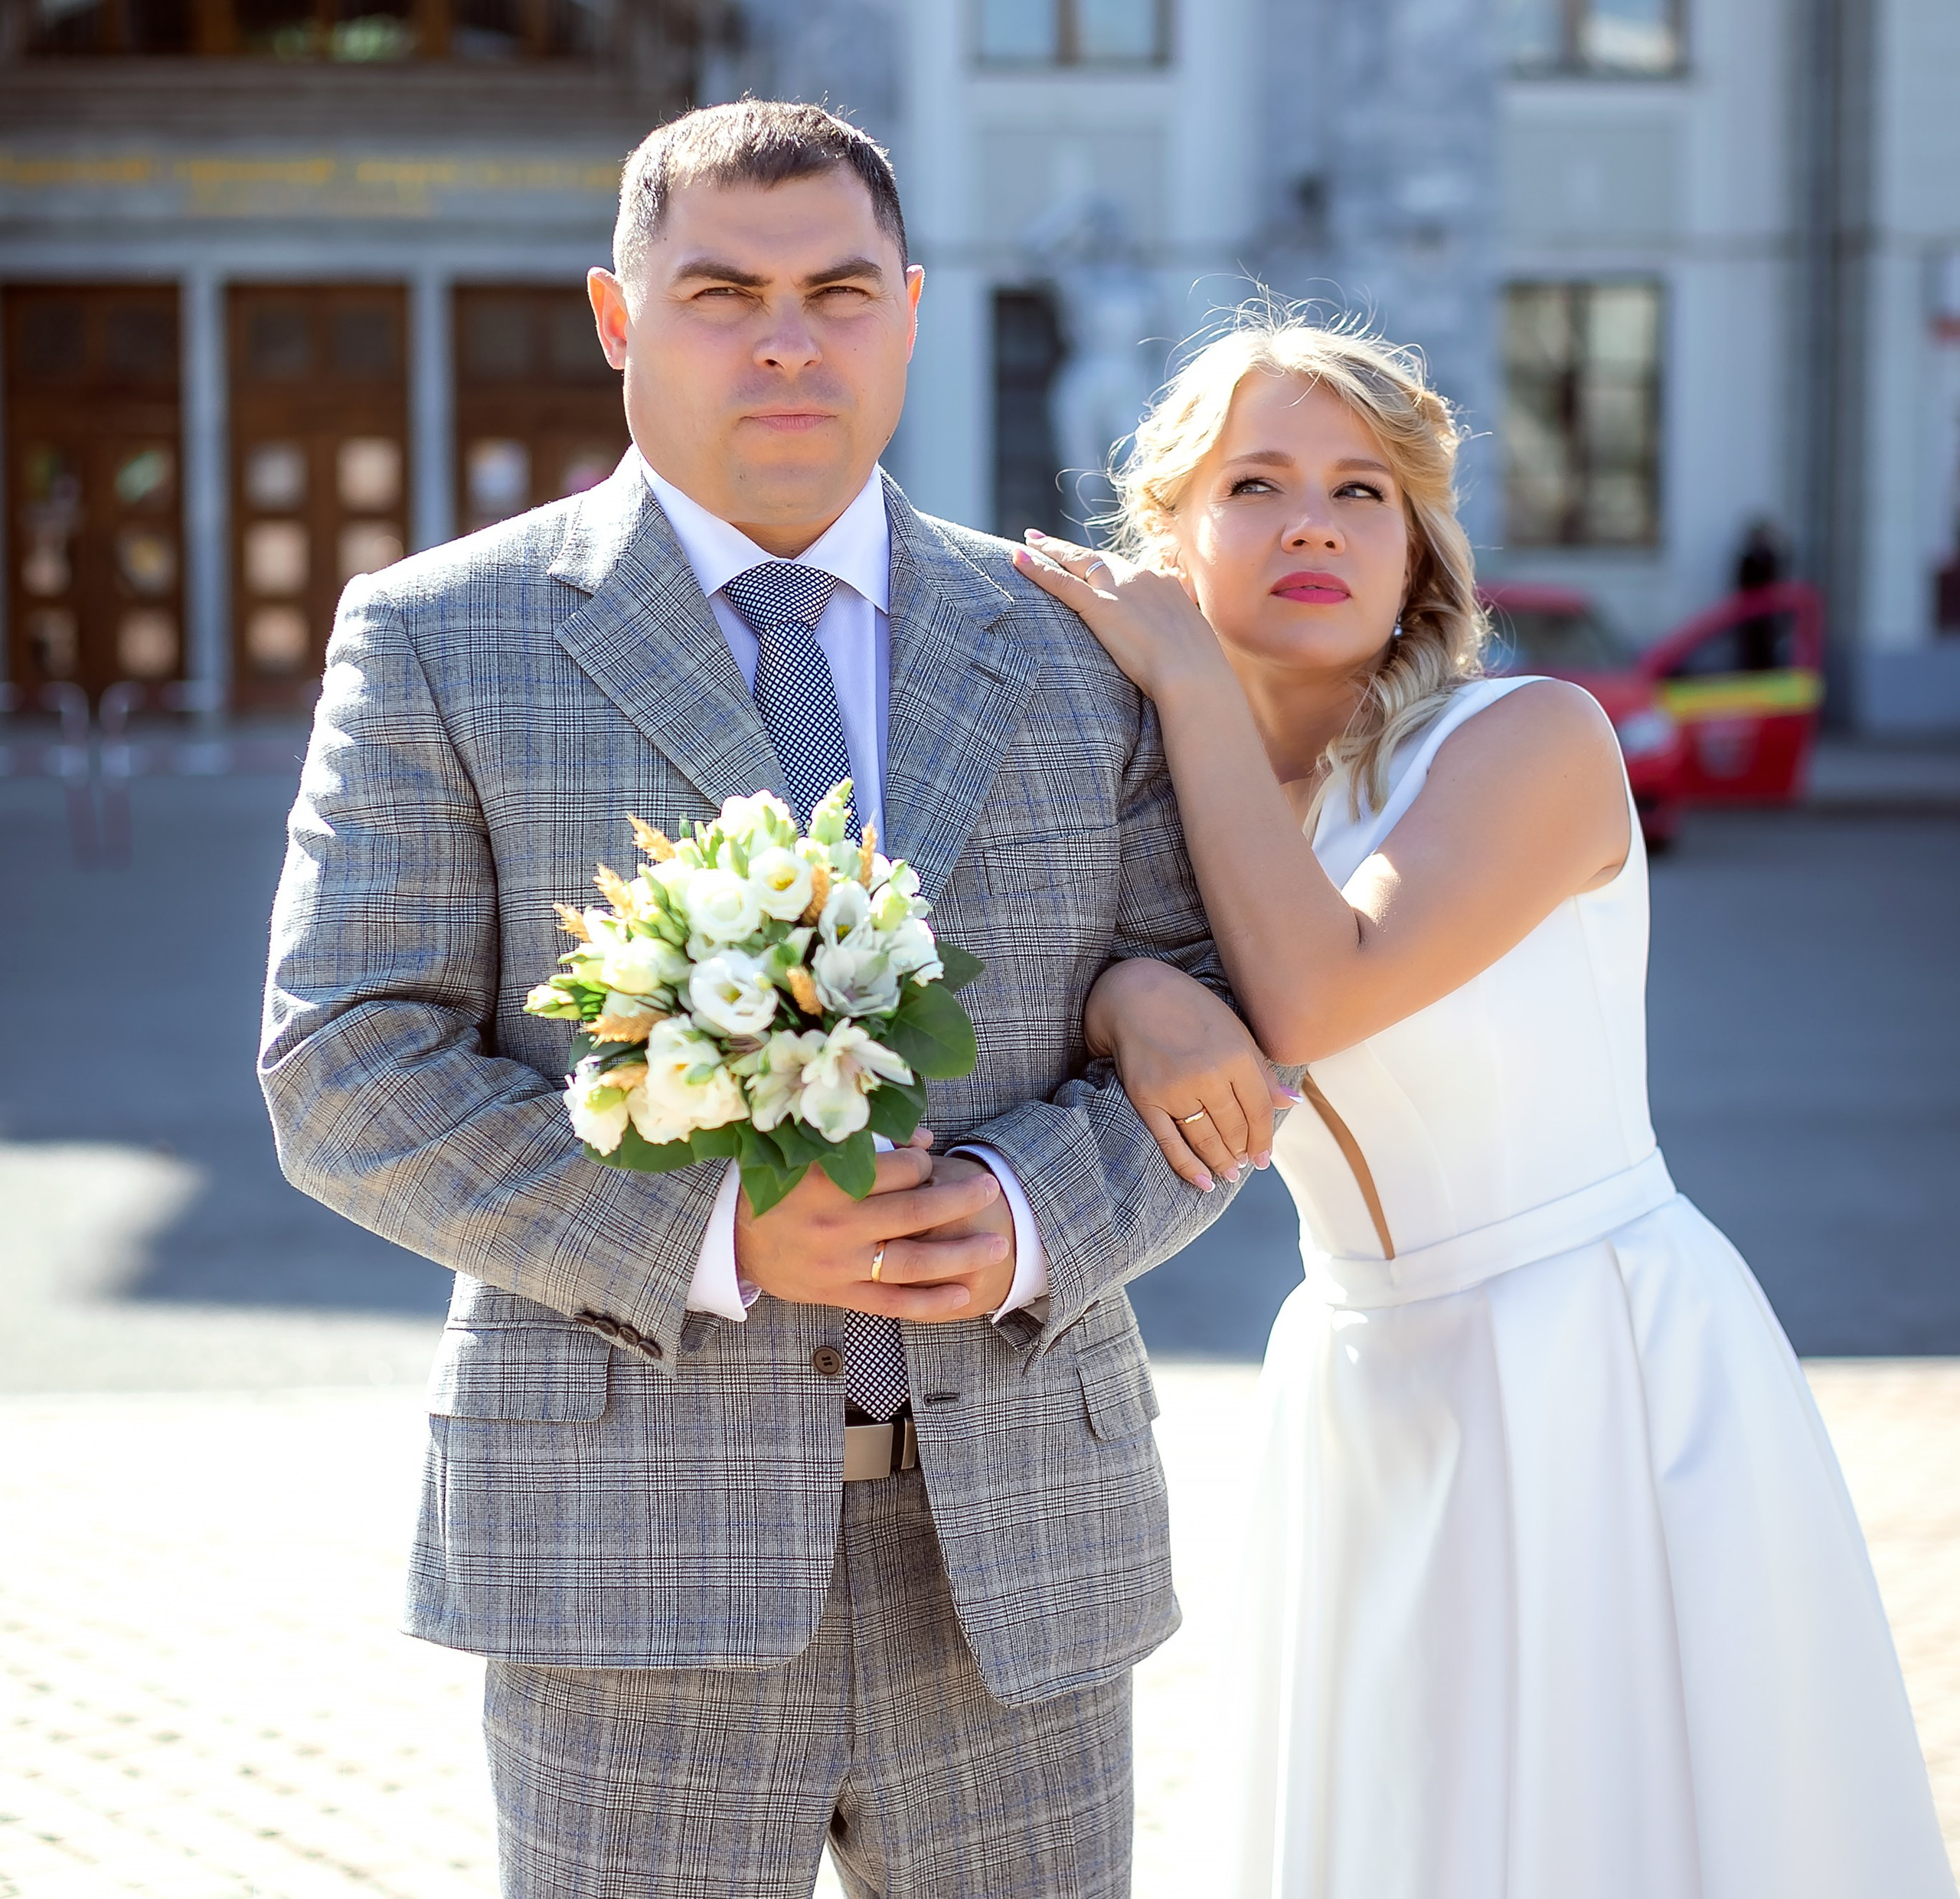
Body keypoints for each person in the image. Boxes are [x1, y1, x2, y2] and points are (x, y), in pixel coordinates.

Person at [260, 101, 1256, 1899]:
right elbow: (346, 1065)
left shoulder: (1068, 642)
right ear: (616, 316)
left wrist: (1034, 1214)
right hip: (625, 1563)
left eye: (837, 289)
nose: (787, 337)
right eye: (722, 290)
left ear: (910, 311)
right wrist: (721, 1227)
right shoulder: (438, 635)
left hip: (1017, 1554)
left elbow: (1201, 1024)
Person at [1013, 312, 1957, 1899]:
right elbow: (1147, 1039)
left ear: (1415, 548)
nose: (1312, 517)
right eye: (1254, 480)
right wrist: (1127, 989)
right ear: (1166, 532)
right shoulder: (1172, 808)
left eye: (1360, 488)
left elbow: (1313, 990)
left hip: (1586, 1351)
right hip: (1357, 1373)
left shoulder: (1527, 739)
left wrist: (1174, 664)